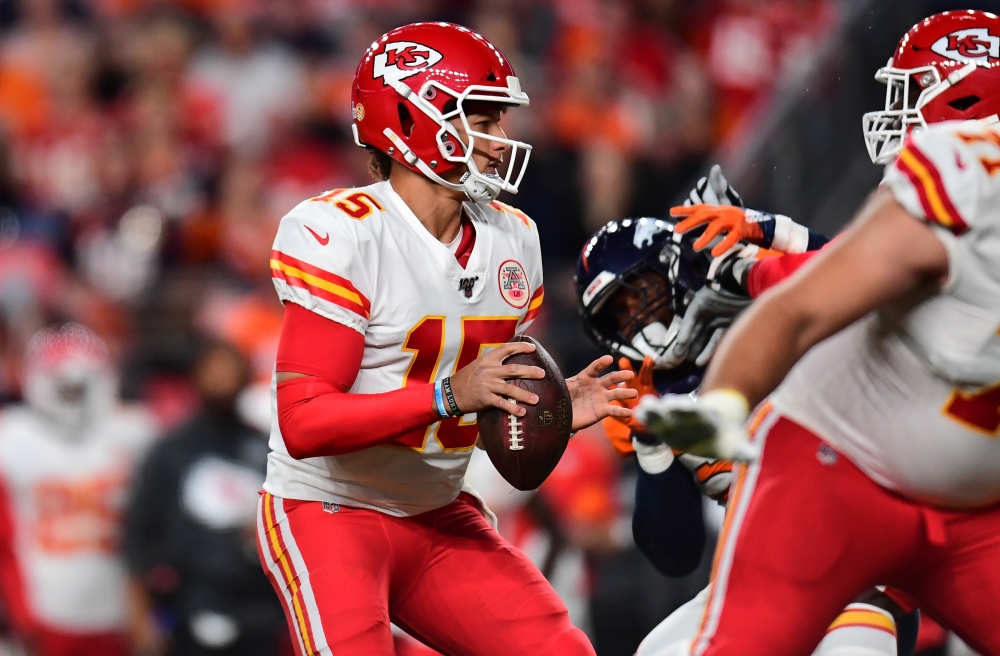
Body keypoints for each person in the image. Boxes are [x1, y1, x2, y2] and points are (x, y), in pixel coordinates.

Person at [259, 22, 635, 656]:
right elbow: (303, 421)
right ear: (409, 120)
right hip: (330, 510)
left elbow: (480, 406)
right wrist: (450, 395)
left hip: (437, 508)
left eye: (500, 122)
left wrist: (551, 406)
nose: (501, 141)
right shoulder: (343, 233)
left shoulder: (512, 238)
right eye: (482, 120)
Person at [637, 10, 1000, 656]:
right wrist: (707, 421)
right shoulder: (969, 180)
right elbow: (802, 305)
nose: (900, 117)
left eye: (913, 97)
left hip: (972, 506)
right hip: (842, 480)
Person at [576, 175, 917, 656]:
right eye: (619, 314)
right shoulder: (653, 397)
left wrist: (781, 234)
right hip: (761, 572)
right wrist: (653, 449)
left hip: (859, 564)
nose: (637, 318)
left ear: (672, 270)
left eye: (640, 293)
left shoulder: (753, 297)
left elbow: (866, 275)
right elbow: (676, 555)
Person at [0, 324, 157, 656]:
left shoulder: (135, 432)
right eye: (65, 387)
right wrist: (18, 612)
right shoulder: (12, 438)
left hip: (118, 608)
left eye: (80, 387)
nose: (73, 396)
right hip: (43, 608)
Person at [124, 339, 288, 656]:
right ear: (194, 376)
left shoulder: (268, 450)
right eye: (212, 368)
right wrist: (141, 617)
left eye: (230, 368)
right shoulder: (171, 452)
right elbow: (137, 537)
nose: (221, 377)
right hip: (189, 608)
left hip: (259, 611)